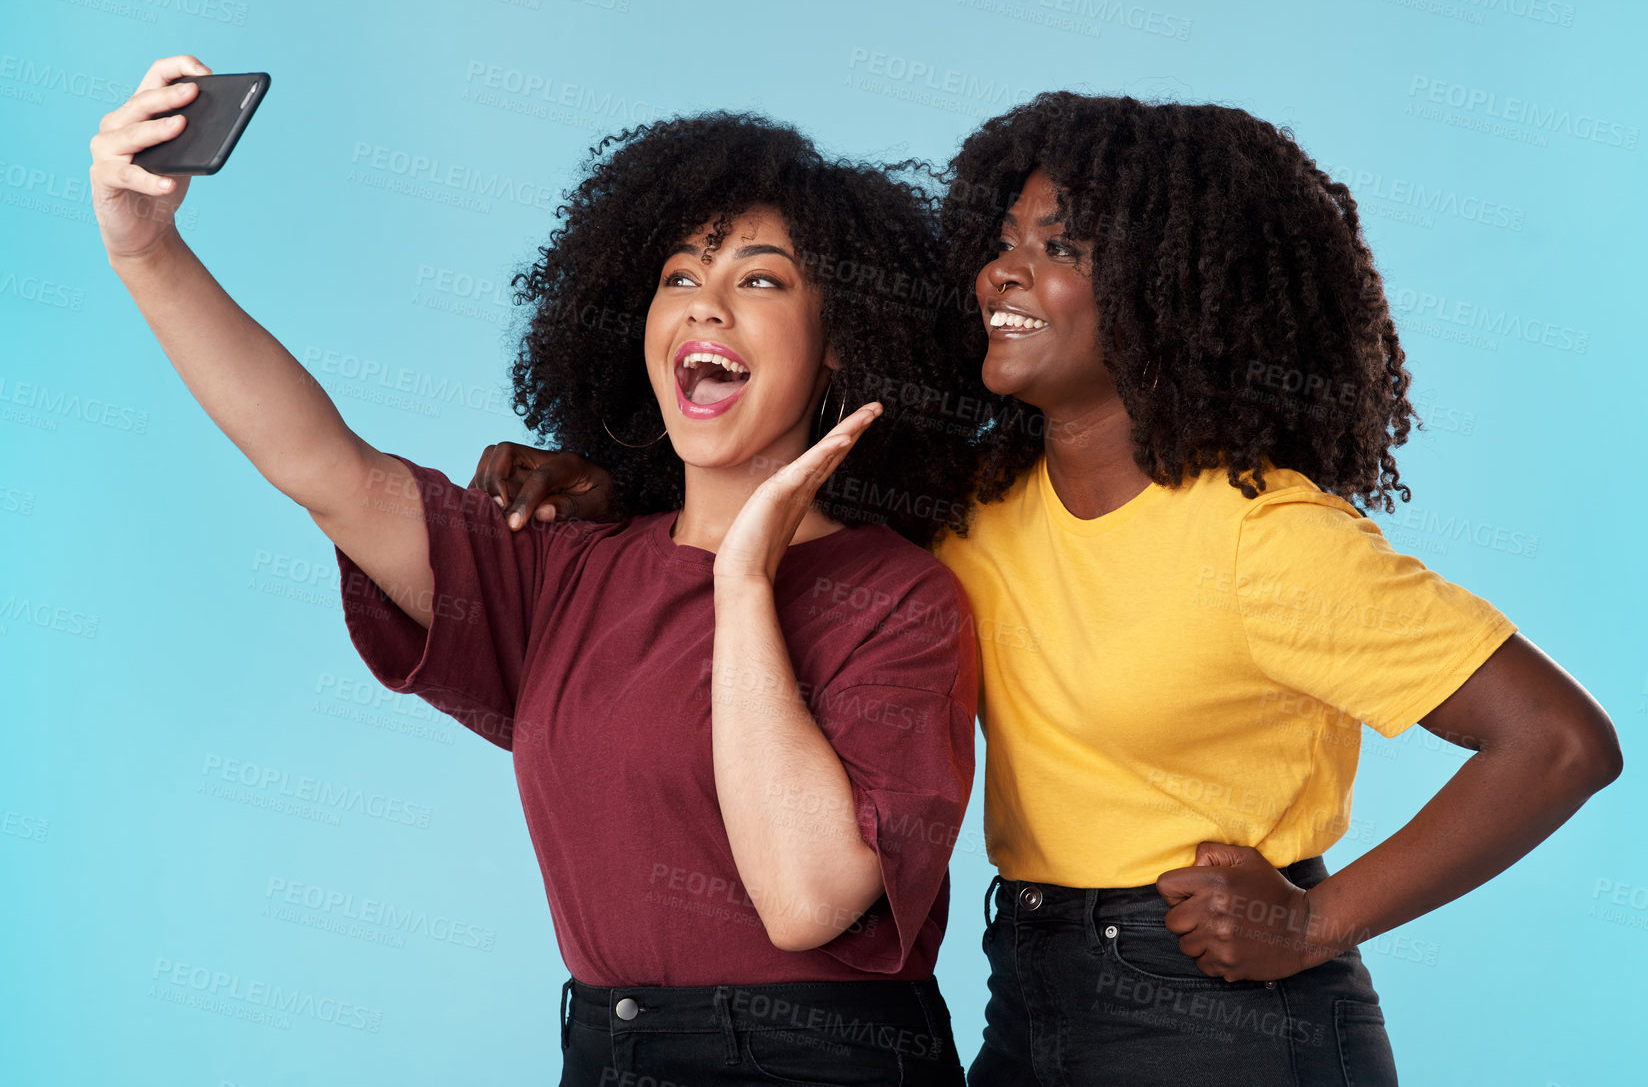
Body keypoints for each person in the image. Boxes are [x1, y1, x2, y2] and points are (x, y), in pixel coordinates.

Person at [466, 92, 1623, 1086]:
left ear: (1176, 291)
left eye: (1060, 249)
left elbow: (1560, 743)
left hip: (1220, 1015)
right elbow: (765, 476)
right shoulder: (977, 505)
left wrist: (1316, 920)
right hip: (1027, 992)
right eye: (1005, 238)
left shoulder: (1268, 539)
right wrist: (610, 477)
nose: (1003, 272)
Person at [91, 54, 988, 1085]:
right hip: (608, 1051)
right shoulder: (566, 569)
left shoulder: (902, 601)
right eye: (680, 277)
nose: (706, 305)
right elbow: (322, 467)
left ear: (840, 346)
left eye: (761, 279)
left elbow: (804, 902)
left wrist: (743, 582)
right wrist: (147, 251)